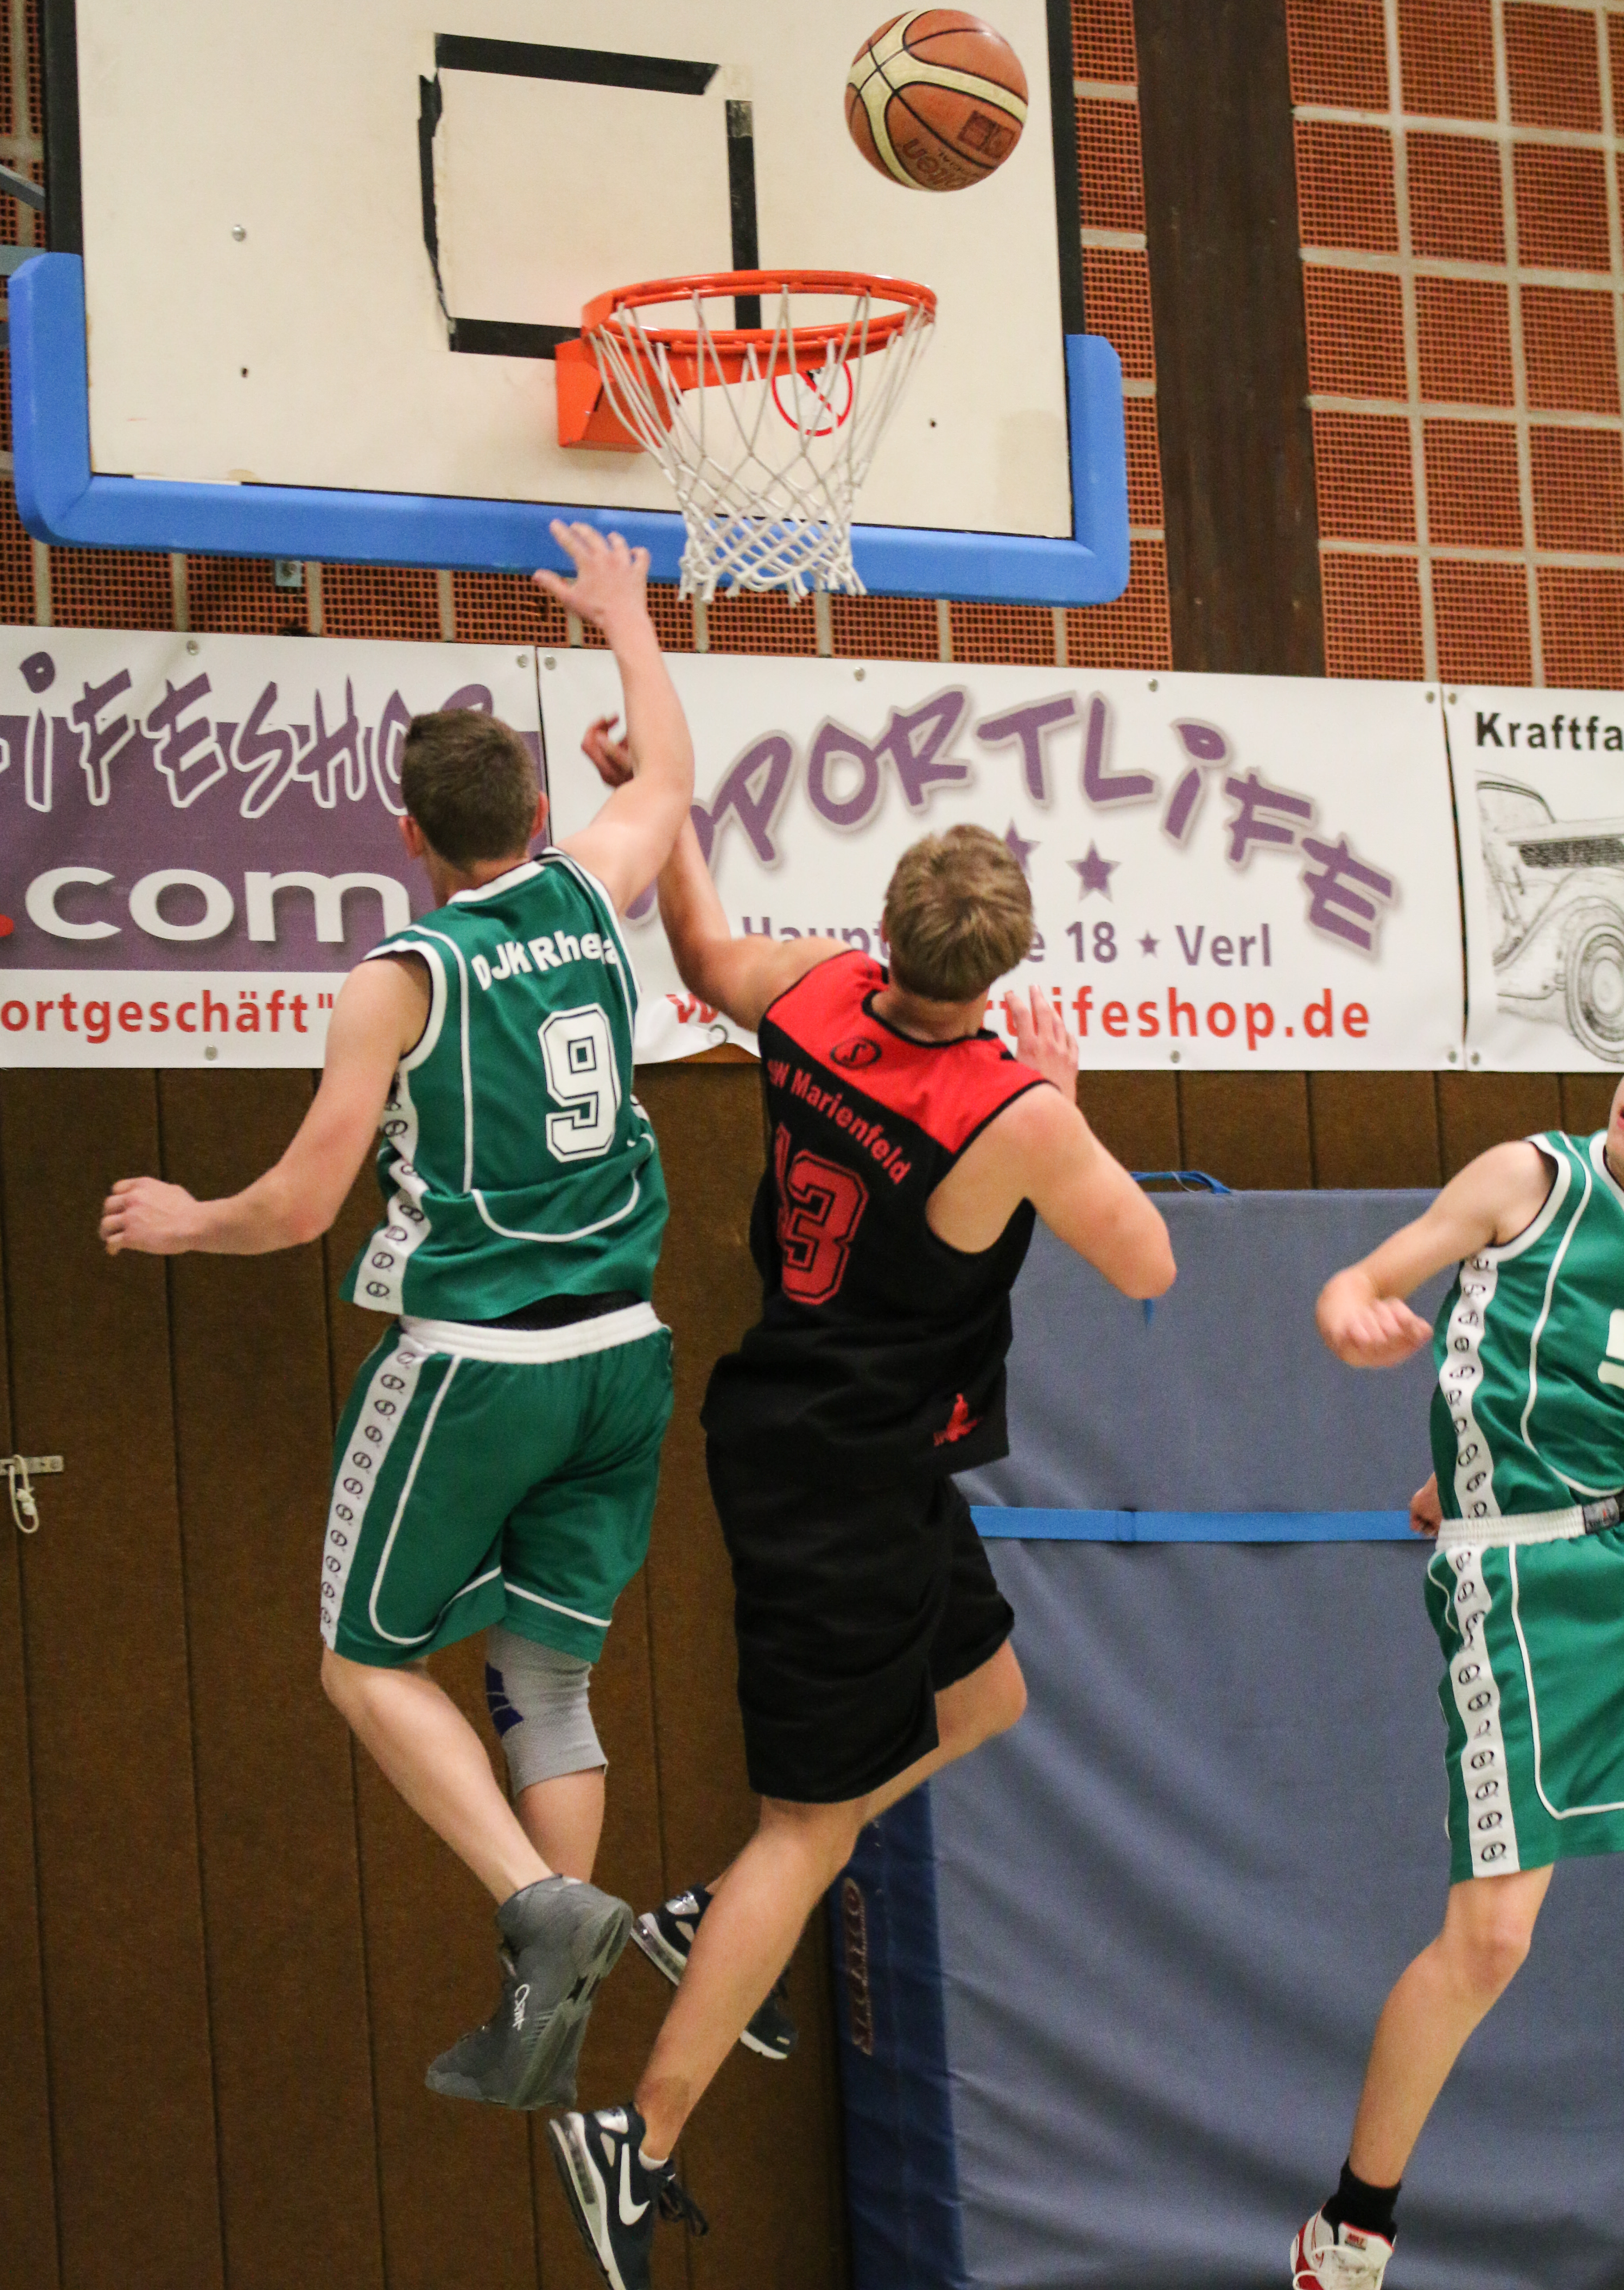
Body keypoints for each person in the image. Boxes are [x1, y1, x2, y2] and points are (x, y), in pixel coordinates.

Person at [98, 523, 694, 2114]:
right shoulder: (595, 884)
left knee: (366, 1667)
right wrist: (628, 619)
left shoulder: (400, 975)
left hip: (481, 1365)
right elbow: (668, 778)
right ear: (538, 816)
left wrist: (186, 1219)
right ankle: (549, 2007)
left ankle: (544, 1910)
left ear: (411, 835)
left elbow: (302, 1208)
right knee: (547, 1685)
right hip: (626, 1356)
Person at [545, 797, 1176, 2290]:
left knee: (988, 1694)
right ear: (1005, 970)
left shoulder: (820, 991)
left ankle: (714, 1915)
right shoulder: (1014, 1111)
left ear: (888, 930)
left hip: (831, 1442)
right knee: (809, 1829)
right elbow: (1149, 1259)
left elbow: (702, 950)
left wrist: (672, 811)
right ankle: (638, 2136)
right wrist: (1064, 1102)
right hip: (849, 1483)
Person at [1291, 1079, 1624, 2289]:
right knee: (1491, 1942)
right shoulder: (1532, 1181)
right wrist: (1351, 1311)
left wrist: (1470, 1458)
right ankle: (1351, 2231)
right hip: (1535, 1586)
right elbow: (1362, 1282)